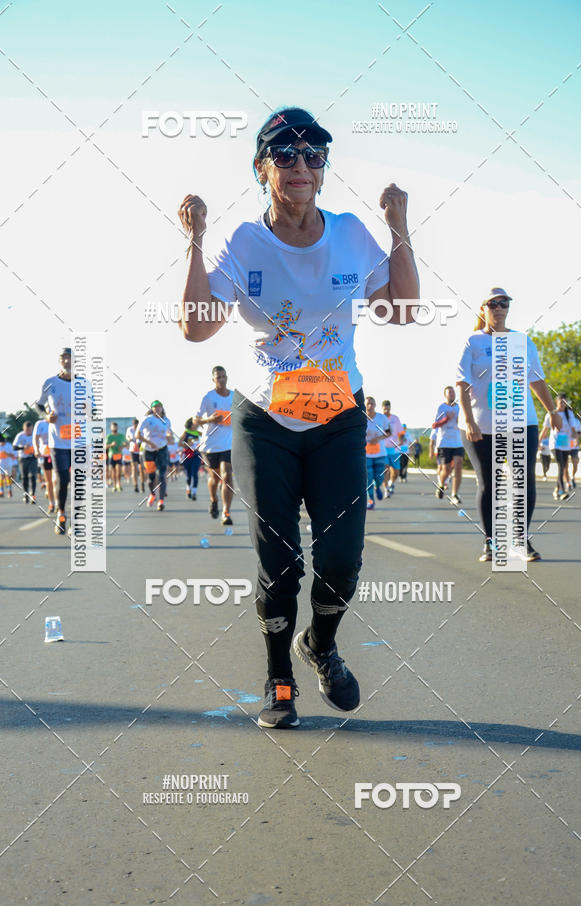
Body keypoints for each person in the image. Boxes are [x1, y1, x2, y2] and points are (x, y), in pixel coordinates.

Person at [178, 106, 419, 728]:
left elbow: (402, 311)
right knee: (279, 560)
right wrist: (197, 244)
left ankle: (322, 644)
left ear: (324, 170)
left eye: (314, 155)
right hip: (265, 422)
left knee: (340, 559)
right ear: (263, 170)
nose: (301, 166)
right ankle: (277, 676)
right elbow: (196, 329)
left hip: (339, 416)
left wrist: (398, 228)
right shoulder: (242, 241)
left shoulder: (349, 233)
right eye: (285, 155)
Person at [456, 288, 560, 562]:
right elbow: (462, 384)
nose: (499, 307)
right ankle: (491, 543)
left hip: (521, 423)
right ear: (483, 309)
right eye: (493, 303)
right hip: (481, 425)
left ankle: (520, 539)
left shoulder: (521, 341)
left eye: (504, 303)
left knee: (524, 482)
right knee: (489, 484)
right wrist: (467, 420)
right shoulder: (473, 342)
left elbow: (536, 379)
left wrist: (552, 410)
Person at [35, 347, 76, 534]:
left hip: (79, 440)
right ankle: (61, 515)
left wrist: (87, 410)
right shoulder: (49, 383)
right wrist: (45, 416)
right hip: (58, 441)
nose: (66, 361)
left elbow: (93, 411)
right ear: (60, 361)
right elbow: (39, 405)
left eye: (69, 358)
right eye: (63, 358)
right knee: (63, 479)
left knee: (79, 481)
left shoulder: (84, 384)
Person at [196, 366, 234, 525]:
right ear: (213, 380)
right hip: (211, 444)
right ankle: (213, 500)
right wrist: (209, 420)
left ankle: (226, 512)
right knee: (215, 477)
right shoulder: (208, 397)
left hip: (228, 443)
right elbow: (195, 421)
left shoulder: (234, 396)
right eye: (218, 377)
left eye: (224, 376)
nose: (222, 380)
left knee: (227, 476)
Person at [539, 394, 578, 501]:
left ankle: (556, 489)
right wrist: (538, 442)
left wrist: (575, 437)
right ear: (556, 402)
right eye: (561, 402)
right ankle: (562, 490)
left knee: (564, 467)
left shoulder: (569, 414)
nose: (562, 404)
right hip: (555, 444)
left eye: (564, 402)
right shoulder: (551, 414)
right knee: (561, 466)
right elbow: (545, 430)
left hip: (566, 445)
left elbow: (573, 429)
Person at [136, 401, 173, 511]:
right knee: (151, 477)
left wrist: (169, 436)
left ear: (162, 408)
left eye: (159, 407)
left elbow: (169, 433)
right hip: (149, 451)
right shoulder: (147, 419)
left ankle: (161, 501)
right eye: (155, 407)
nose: (157, 409)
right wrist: (150, 443)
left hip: (162, 450)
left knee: (161, 475)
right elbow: (137, 435)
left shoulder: (166, 420)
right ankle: (152, 494)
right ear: (152, 409)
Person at [431, 386, 464, 504]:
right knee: (447, 469)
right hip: (444, 442)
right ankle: (440, 484)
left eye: (453, 392)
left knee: (459, 465)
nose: (451, 394)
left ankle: (455, 494)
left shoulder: (459, 407)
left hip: (458, 441)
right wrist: (445, 419)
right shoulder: (442, 407)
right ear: (445, 395)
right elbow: (434, 425)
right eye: (449, 392)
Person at [365, 397, 391, 509]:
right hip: (366, 454)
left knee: (380, 476)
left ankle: (377, 486)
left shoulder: (381, 418)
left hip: (380, 453)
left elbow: (389, 432)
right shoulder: (361, 417)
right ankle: (371, 500)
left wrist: (378, 438)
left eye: (372, 404)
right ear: (365, 405)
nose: (370, 406)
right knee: (368, 478)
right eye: (368, 404)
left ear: (375, 405)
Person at [33, 413, 56, 513]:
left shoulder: (58, 422)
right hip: (45, 454)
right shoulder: (40, 424)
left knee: (56, 481)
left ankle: (59, 503)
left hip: (57, 453)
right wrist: (37, 450)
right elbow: (35, 439)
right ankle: (52, 503)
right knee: (49, 482)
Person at [381, 399, 403, 497]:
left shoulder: (395, 418)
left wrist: (401, 440)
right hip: (383, 448)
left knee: (396, 472)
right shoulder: (379, 418)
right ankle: (386, 489)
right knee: (385, 470)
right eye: (384, 407)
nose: (386, 408)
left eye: (388, 406)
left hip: (394, 449)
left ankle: (391, 483)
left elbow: (401, 432)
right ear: (382, 408)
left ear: (390, 407)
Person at [12, 421, 38, 504]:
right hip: (23, 459)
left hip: (33, 458)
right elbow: (14, 447)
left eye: (30, 430)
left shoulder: (35, 435)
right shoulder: (20, 435)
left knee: (33, 476)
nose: (29, 432)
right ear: (24, 429)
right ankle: (26, 494)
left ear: (32, 429)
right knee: (25, 477)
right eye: (27, 430)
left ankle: (33, 495)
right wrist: (23, 447)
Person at [180, 417, 201, 500]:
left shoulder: (199, 433)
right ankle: (188, 488)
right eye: (195, 423)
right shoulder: (186, 432)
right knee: (189, 475)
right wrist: (188, 444)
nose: (197, 424)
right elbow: (179, 443)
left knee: (195, 473)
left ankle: (194, 492)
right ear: (191, 424)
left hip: (196, 454)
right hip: (188, 455)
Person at [106, 422, 127, 492]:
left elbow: (126, 443)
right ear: (111, 428)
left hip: (118, 455)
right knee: (113, 471)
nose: (115, 428)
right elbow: (104, 446)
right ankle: (114, 485)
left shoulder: (121, 436)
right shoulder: (109, 436)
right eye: (113, 427)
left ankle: (119, 484)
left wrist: (122, 446)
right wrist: (111, 445)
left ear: (117, 428)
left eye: (116, 427)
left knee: (118, 469)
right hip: (111, 455)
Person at [126, 418, 143, 493]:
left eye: (137, 425)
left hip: (141, 450)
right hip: (133, 450)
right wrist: (129, 439)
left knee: (141, 468)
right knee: (134, 468)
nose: (135, 426)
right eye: (134, 425)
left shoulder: (141, 429)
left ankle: (142, 483)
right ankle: (135, 485)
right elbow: (128, 437)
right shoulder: (130, 429)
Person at [0, 433, 16, 498]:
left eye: (3, 441)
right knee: (1, 477)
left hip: (8, 463)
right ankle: (1, 491)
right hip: (1, 463)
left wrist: (7, 454)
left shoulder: (9, 445)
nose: (2, 443)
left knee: (8, 477)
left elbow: (14, 456)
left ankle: (9, 491)